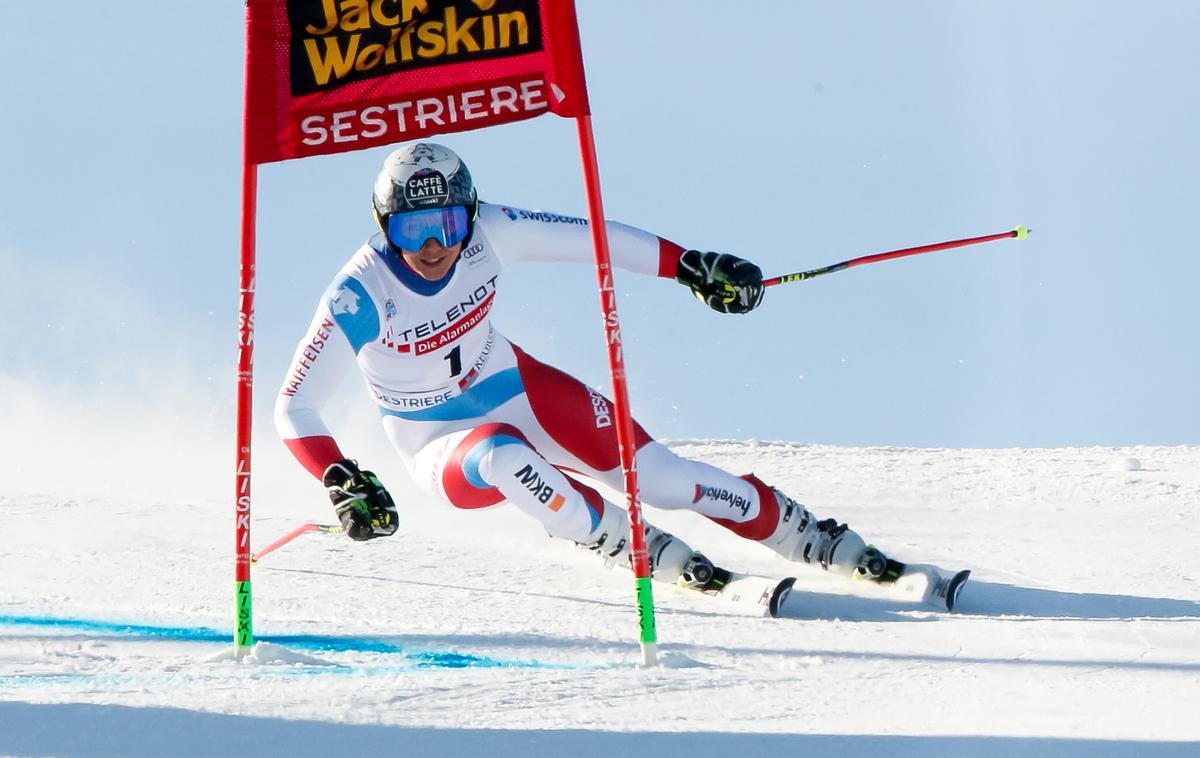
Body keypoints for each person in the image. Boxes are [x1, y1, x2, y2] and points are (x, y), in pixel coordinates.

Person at [275, 142, 895, 593]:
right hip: (437, 439)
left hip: (516, 385)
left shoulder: (493, 231)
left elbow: (598, 238)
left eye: (447, 224)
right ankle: (624, 543)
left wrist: (691, 265)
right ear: (386, 228)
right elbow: (294, 405)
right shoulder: (359, 294)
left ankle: (807, 535)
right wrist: (338, 475)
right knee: (504, 458)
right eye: (413, 230)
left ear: (470, 213)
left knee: (662, 478)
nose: (434, 246)